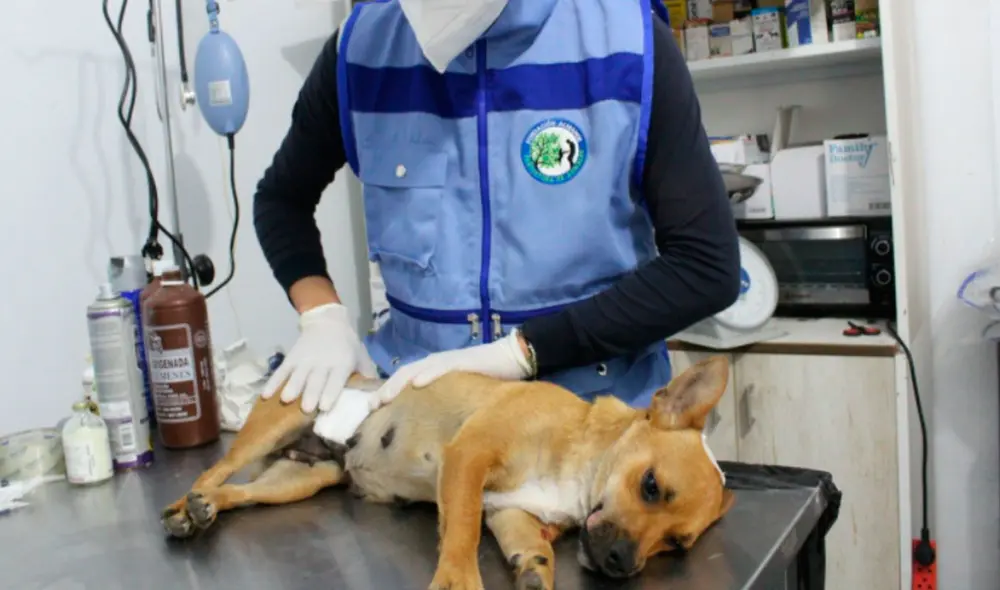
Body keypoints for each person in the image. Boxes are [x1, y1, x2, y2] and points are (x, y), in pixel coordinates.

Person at [254, 0, 741, 416]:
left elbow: (705, 266)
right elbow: (281, 199)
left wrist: (523, 353)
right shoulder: (361, 52)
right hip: (419, 415)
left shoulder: (627, 43)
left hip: (592, 421)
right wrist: (323, 317)